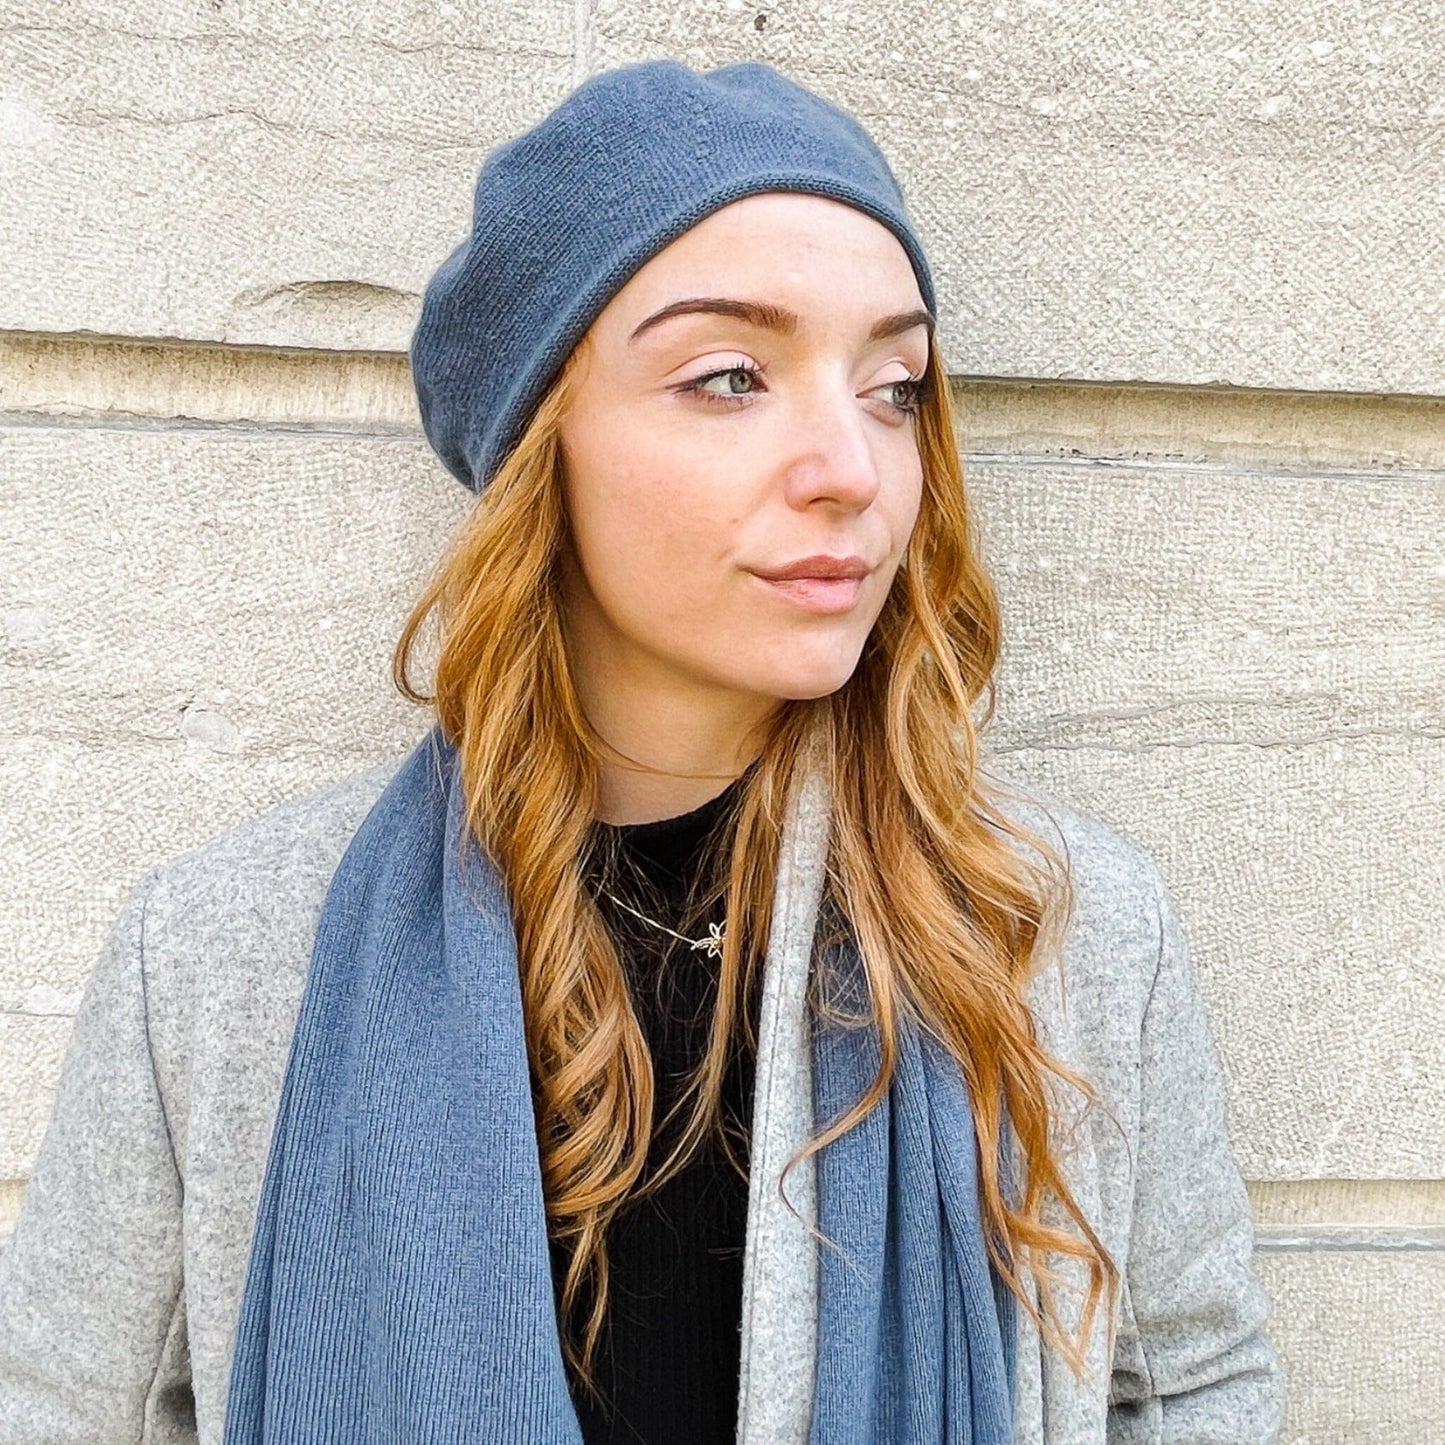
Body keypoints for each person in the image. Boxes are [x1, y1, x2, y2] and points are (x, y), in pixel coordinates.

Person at [0, 57, 1286, 1445]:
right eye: (729, 375)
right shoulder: (222, 956)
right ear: (543, 440)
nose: (850, 465)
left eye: (893, 385)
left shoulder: (1055, 932)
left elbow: (1191, 1386)